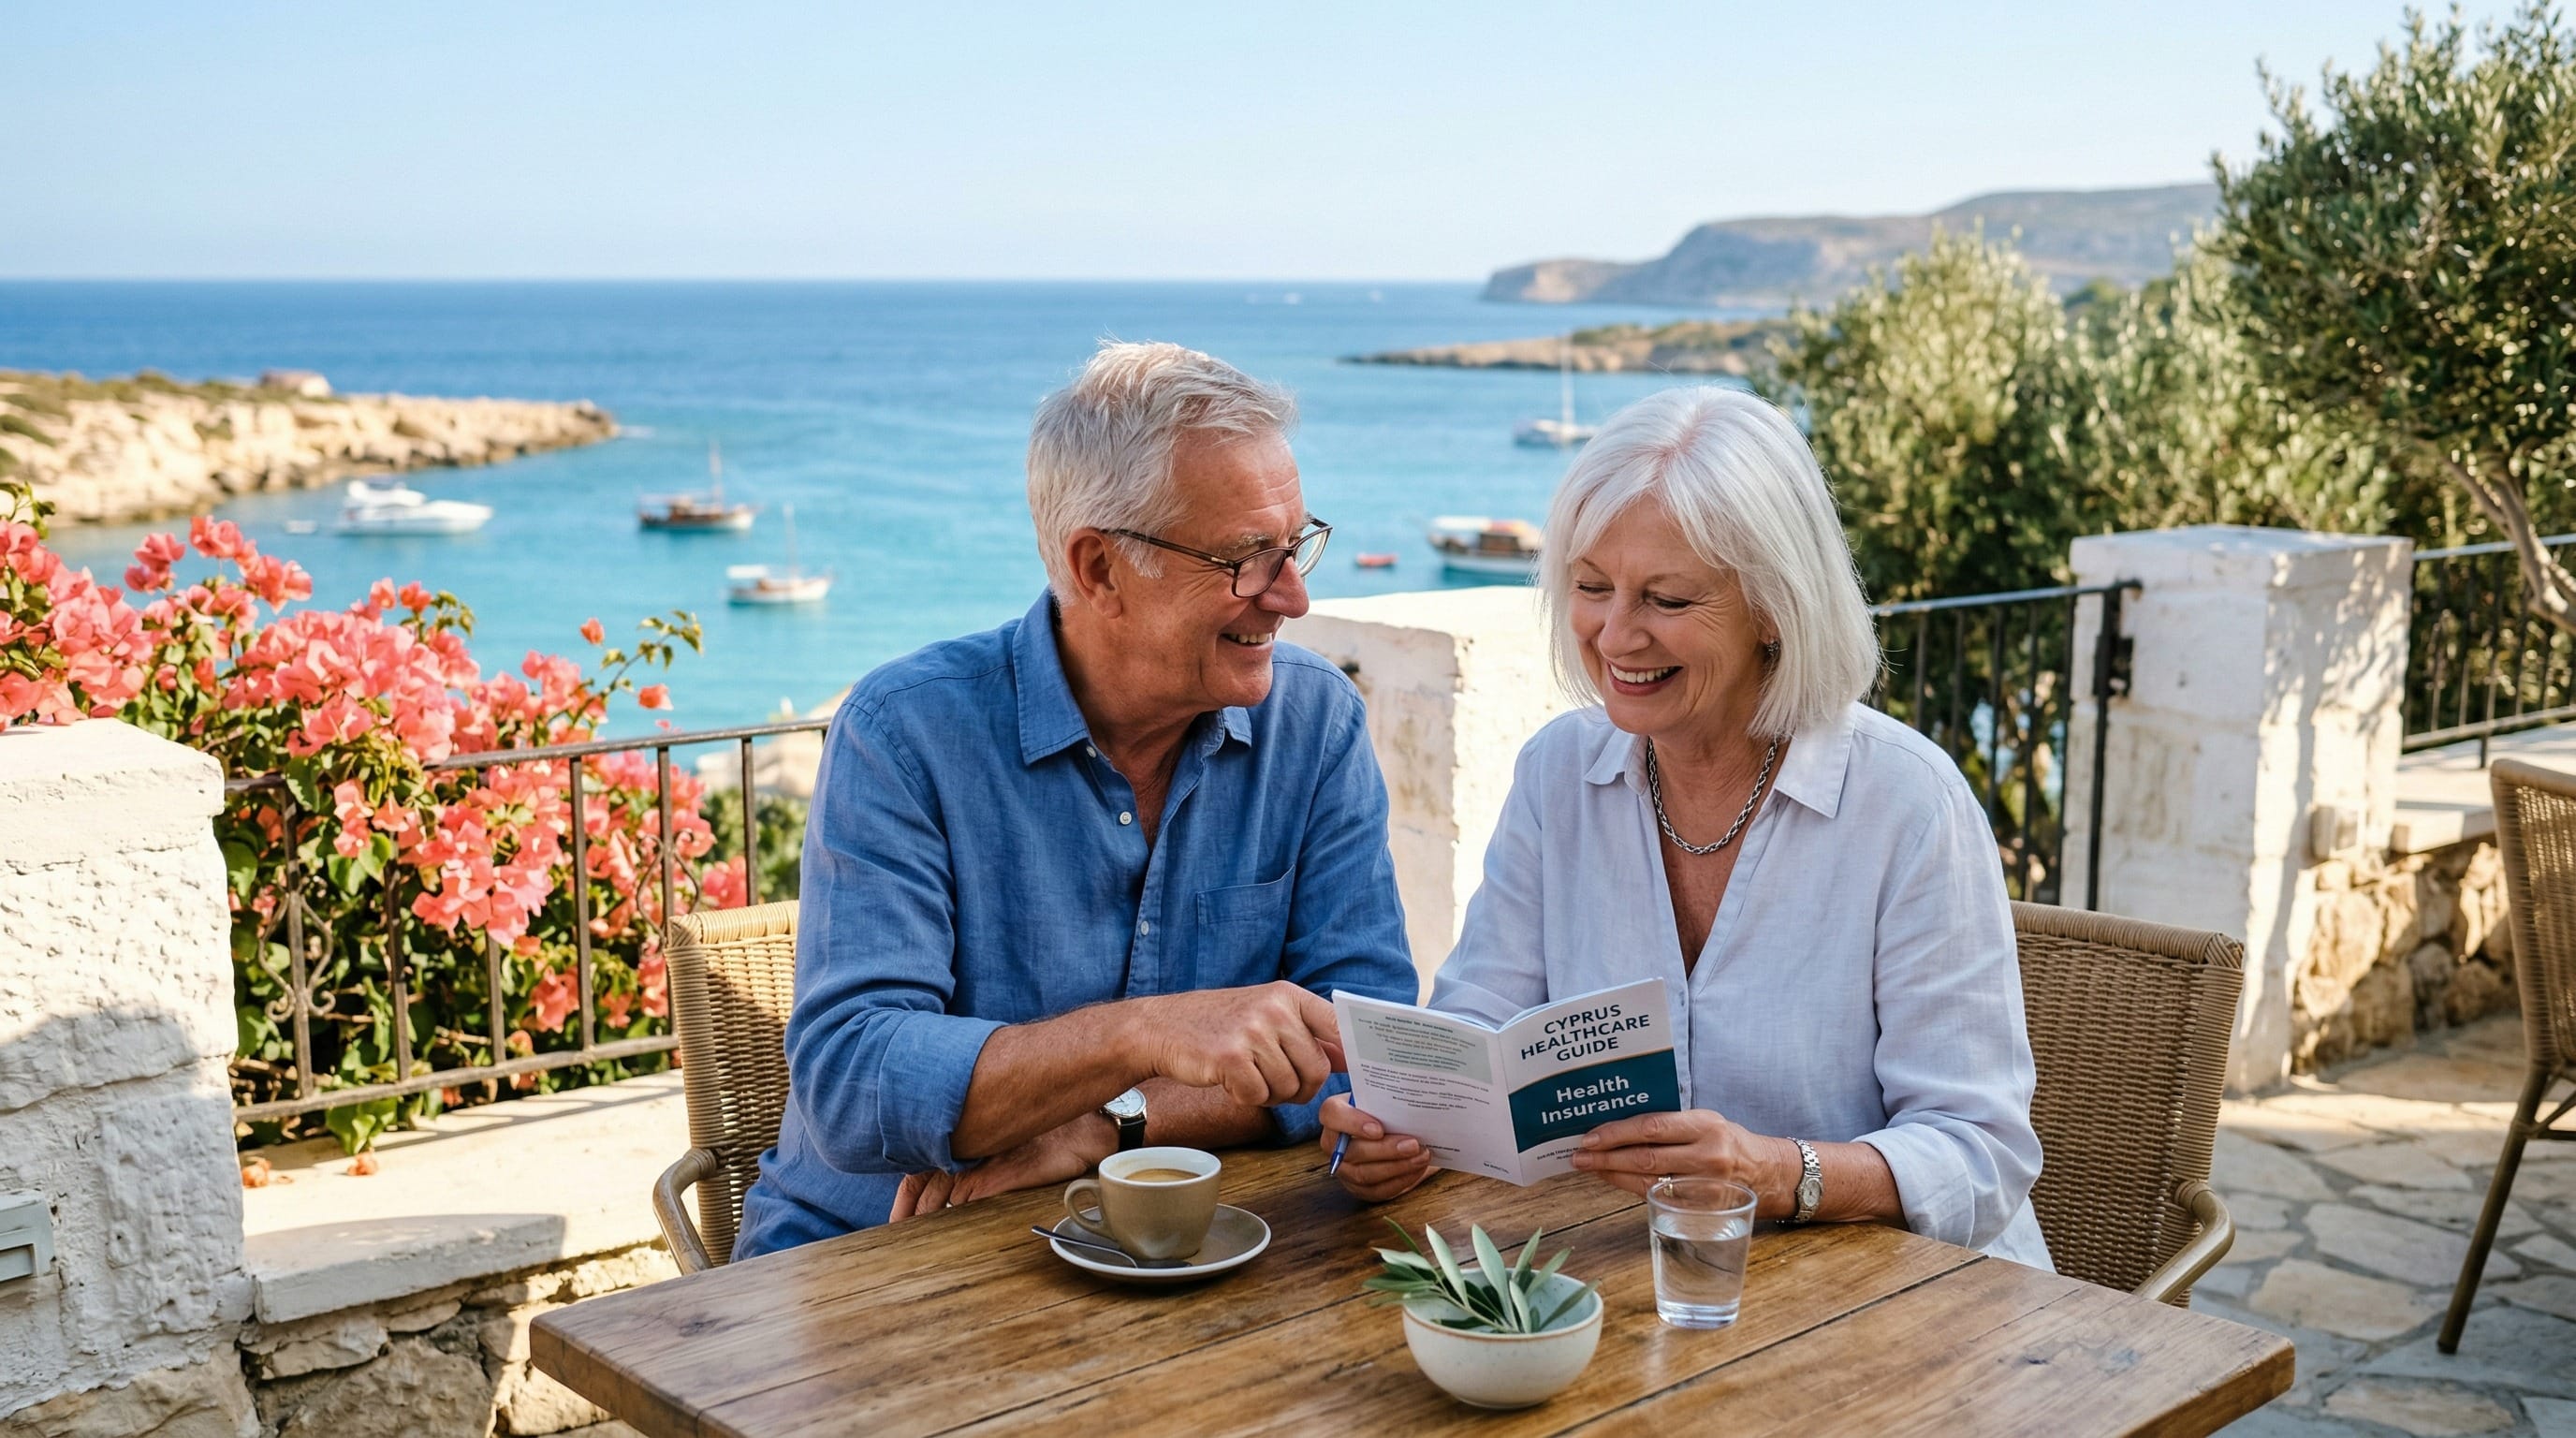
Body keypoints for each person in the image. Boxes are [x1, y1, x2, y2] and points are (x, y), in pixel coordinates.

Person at [1319, 386, 2051, 1268]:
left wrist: (1776, 1173)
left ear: (1775, 608)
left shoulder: (1909, 804)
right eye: (1591, 587)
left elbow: (1983, 1153)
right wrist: (1401, 1123)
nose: (1616, 635)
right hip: (1650, 1281)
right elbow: (1482, 1017)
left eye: (1666, 599)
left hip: (1906, 1307)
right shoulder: (1560, 773)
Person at [735, 341, 1418, 1256]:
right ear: (1098, 569)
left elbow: (1364, 1047)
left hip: (1188, 1247)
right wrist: (1149, 1034)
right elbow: (857, 1086)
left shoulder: (1315, 720)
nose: (1290, 596)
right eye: (1247, 559)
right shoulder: (904, 733)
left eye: (1294, 546)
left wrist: (1107, 1126)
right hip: (878, 1254)